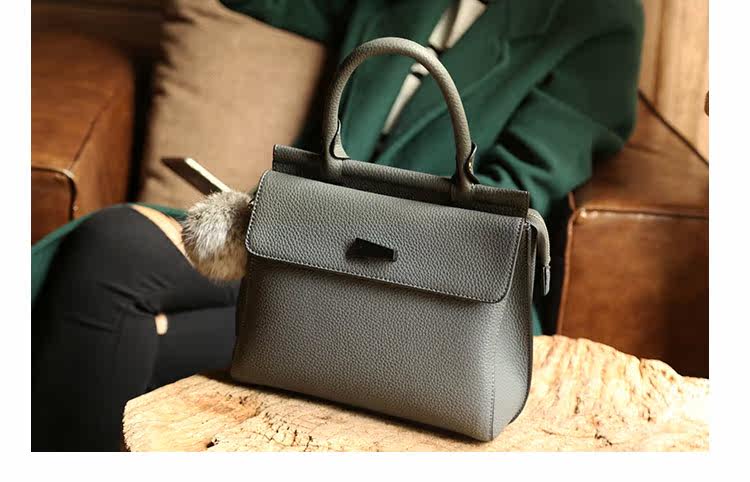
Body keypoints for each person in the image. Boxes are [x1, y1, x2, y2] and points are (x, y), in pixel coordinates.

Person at [31, 0, 644, 450]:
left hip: (436, 295)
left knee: (103, 312)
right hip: (300, 237)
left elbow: (506, 200)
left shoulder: (597, 17)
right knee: (114, 243)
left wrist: (338, 220)